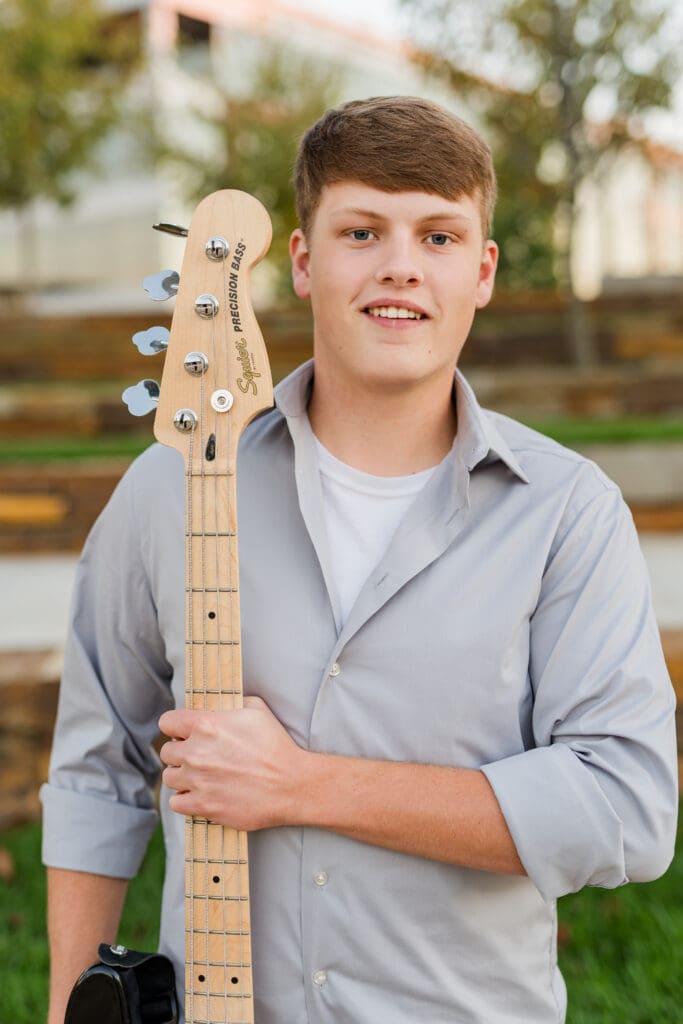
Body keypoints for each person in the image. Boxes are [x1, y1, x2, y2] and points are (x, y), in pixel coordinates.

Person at [43, 96, 678, 1024]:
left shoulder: (565, 514)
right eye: (361, 230)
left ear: (483, 270)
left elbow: (625, 810)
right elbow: (96, 771)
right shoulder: (172, 485)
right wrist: (68, 1006)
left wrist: (302, 785)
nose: (399, 268)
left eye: (438, 236)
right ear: (301, 261)